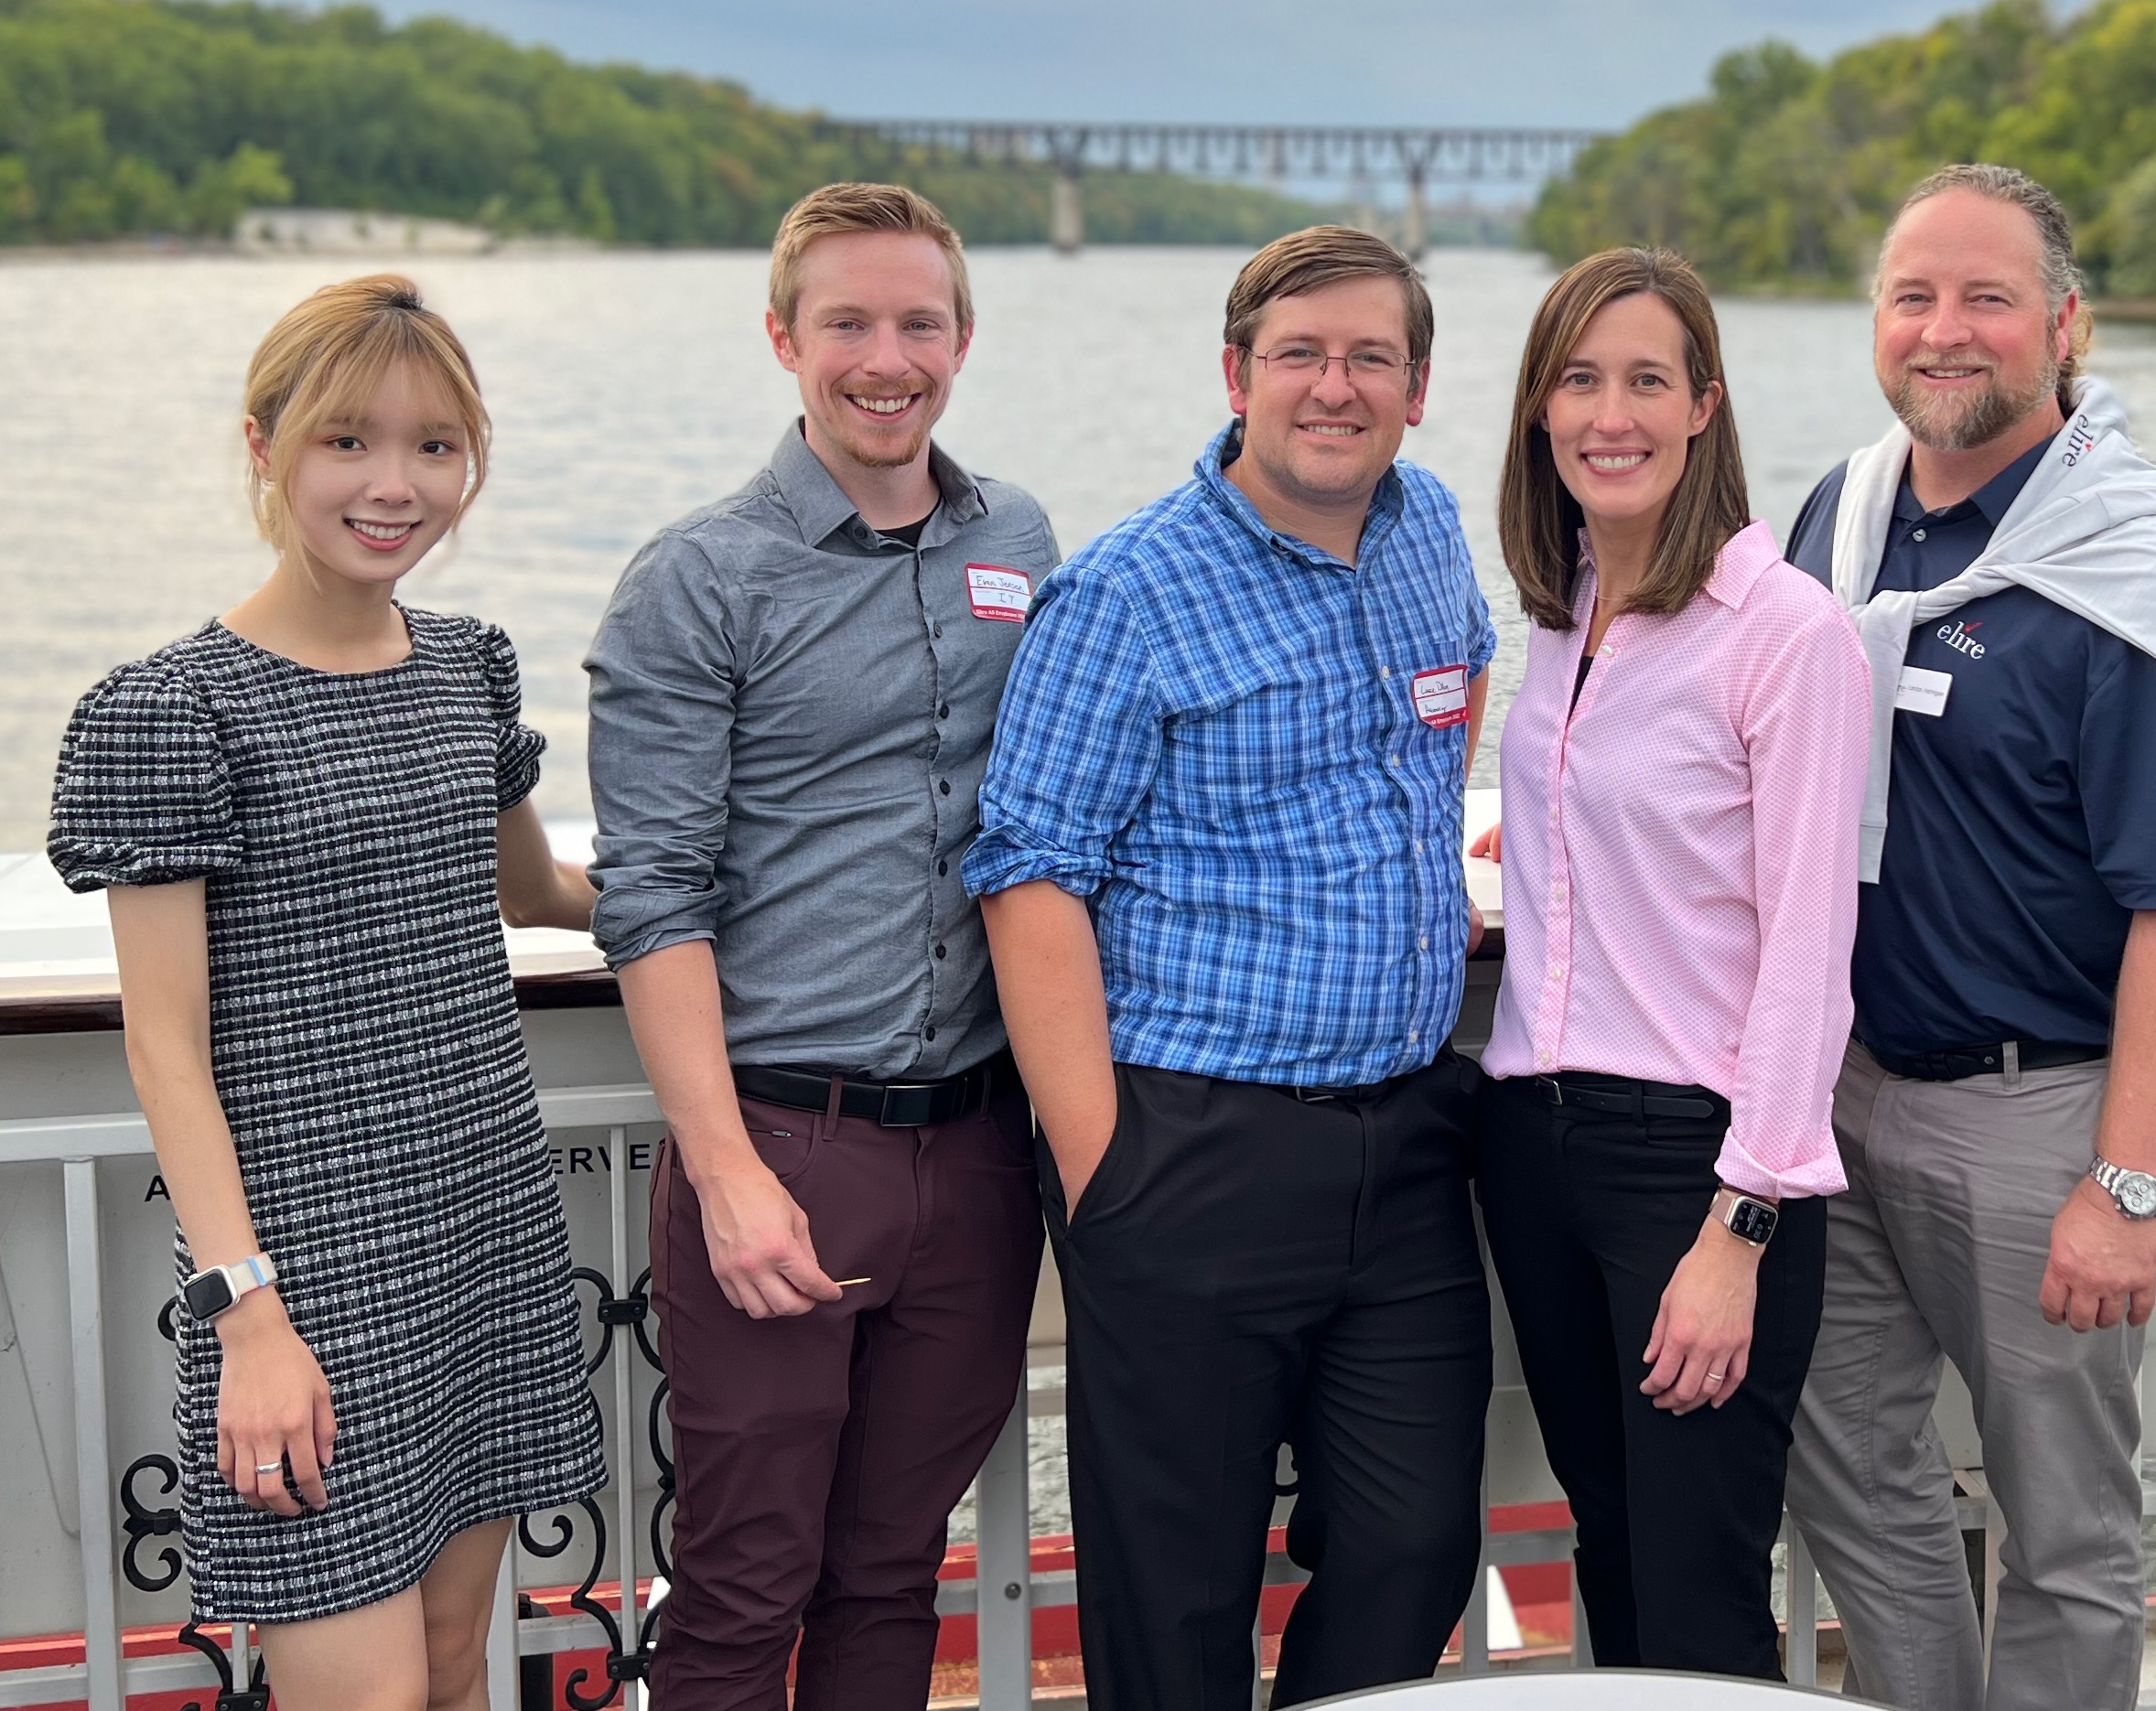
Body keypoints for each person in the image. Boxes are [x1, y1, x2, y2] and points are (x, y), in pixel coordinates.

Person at [49, 274, 604, 1710]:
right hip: (303, 1277)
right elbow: (165, 1050)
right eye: (349, 440)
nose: (395, 483)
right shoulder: (171, 709)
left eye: (435, 445)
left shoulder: (466, 668)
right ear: (264, 446)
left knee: (450, 1667)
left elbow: (533, 895)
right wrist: (249, 1320)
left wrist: (757, 905)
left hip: (481, 1229)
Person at [969, 224, 1497, 1711]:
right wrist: (1103, 1170)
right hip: (1189, 1143)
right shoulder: (1129, 591)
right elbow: (1029, 872)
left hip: (1403, 1144)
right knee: (1177, 1586)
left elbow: (1437, 730)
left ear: (1417, 381)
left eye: (1370, 357)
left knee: (1411, 1544)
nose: (1335, 387)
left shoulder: (1431, 528)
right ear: (1236, 372)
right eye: (1300, 356)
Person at [1781, 165, 2156, 1711]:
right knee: (1850, 1465)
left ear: (2065, 325)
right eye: (1915, 295)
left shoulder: (2129, 568)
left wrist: (2126, 1184)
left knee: (2065, 1526)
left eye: (1987, 296)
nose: (1946, 330)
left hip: (2039, 1114)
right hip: (1840, 1093)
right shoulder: (1841, 519)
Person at [586, 183, 1058, 1709]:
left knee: (886, 1574)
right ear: (784, 337)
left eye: (919, 321)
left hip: (979, 1151)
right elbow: (652, 892)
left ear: (963, 339)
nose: (885, 356)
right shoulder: (698, 579)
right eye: (847, 321)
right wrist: (724, 1173)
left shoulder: (1027, 542)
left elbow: (1085, 795)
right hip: (784, 1139)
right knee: (740, 1586)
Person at [1471, 247, 1870, 1676]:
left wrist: (1739, 1223)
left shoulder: (1786, 633)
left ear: (1705, 405)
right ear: (1537, 408)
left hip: (1695, 1168)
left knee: (1701, 1588)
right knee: (1613, 1547)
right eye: (1577, 379)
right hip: (1532, 1135)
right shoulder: (1560, 605)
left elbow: (1811, 952)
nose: (1609, 412)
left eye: (1646, 378)